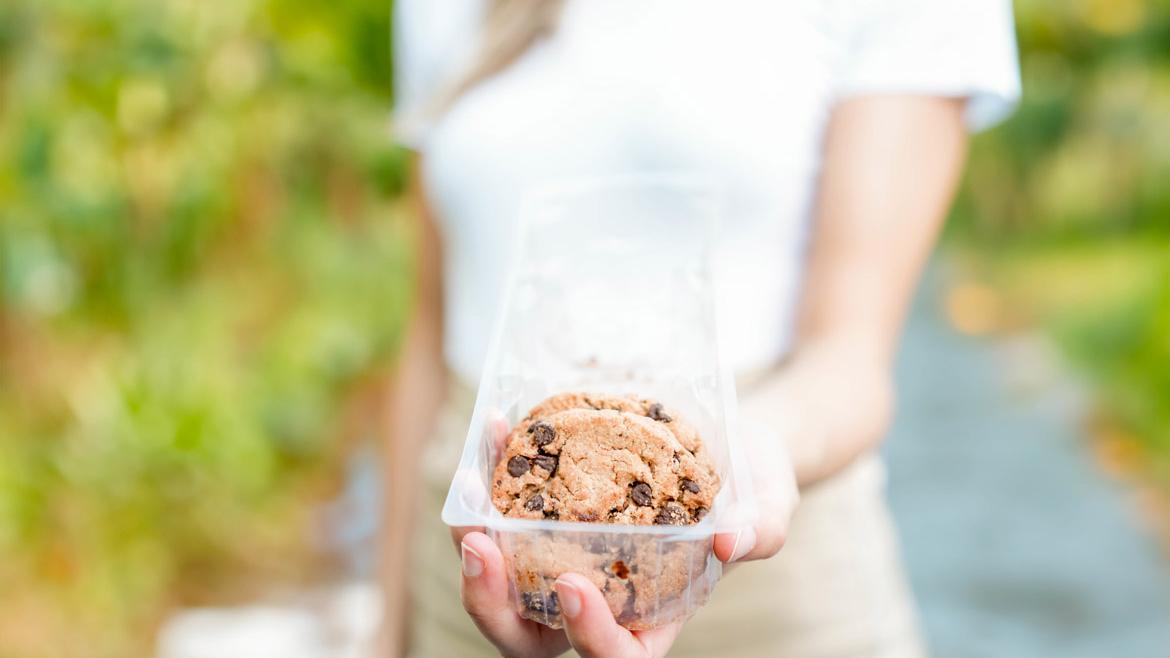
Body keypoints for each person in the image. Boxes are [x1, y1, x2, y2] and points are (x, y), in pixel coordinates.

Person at [383, 1, 1020, 656]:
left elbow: (851, 357)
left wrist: (751, 457)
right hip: (477, 572)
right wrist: (388, 629)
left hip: (773, 595)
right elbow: (429, 334)